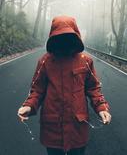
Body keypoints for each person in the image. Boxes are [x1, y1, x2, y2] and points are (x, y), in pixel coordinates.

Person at [17, 15, 111, 155]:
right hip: (53, 126)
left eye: (68, 37)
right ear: (53, 37)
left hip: (77, 126)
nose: (64, 41)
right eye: (60, 37)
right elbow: (37, 90)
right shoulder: (45, 61)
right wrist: (28, 106)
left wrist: (101, 107)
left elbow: (93, 88)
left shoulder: (86, 61)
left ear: (75, 37)